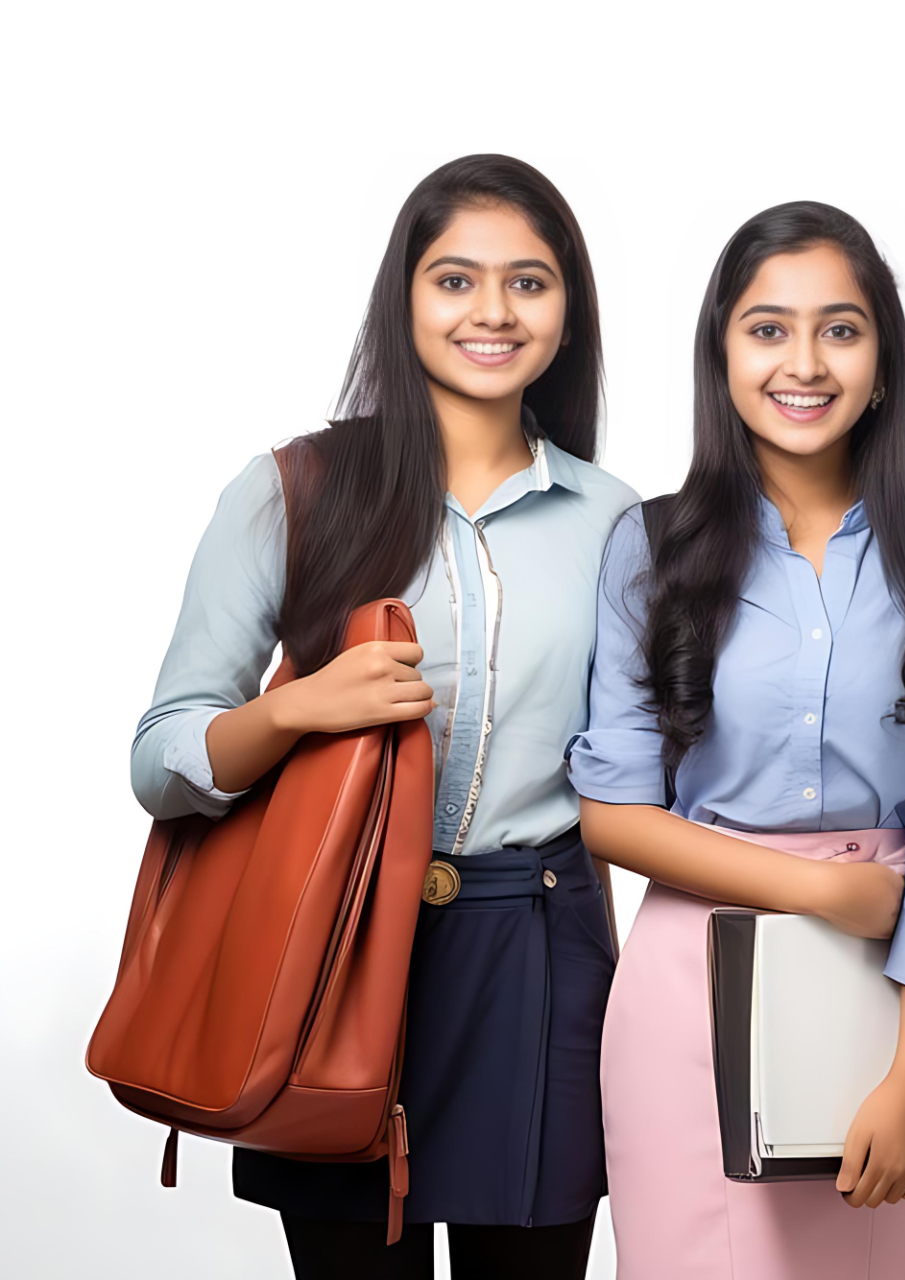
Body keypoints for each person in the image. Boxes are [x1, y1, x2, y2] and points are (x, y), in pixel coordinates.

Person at [131, 155, 639, 1277]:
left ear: (569, 309)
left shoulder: (615, 519)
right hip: (337, 942)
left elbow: (620, 783)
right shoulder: (293, 487)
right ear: (403, 296)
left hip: (540, 953)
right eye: (456, 279)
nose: (493, 312)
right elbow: (162, 755)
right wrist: (301, 707)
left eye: (529, 282)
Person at [569, 200, 905, 1280]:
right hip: (688, 985)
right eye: (767, 328)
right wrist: (816, 890)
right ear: (721, 353)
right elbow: (613, 812)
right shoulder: (651, 544)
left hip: (889, 984)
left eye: (839, 329)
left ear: (884, 360)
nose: (802, 362)